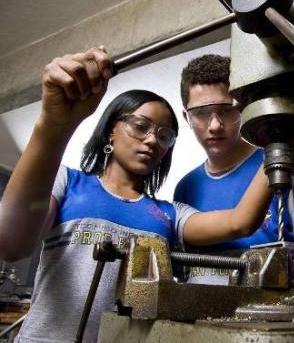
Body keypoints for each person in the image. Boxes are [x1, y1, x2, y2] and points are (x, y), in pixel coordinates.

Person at [0, 47, 272, 343]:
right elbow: (12, 243)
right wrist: (53, 124)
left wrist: (278, 140)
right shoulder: (68, 183)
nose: (153, 140)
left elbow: (239, 222)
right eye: (140, 126)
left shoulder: (170, 215)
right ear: (110, 132)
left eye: (165, 135)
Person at [174, 54, 294, 307]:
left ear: (242, 107)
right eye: (201, 113)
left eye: (227, 110)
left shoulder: (281, 166)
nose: (215, 125)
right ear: (186, 117)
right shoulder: (186, 187)